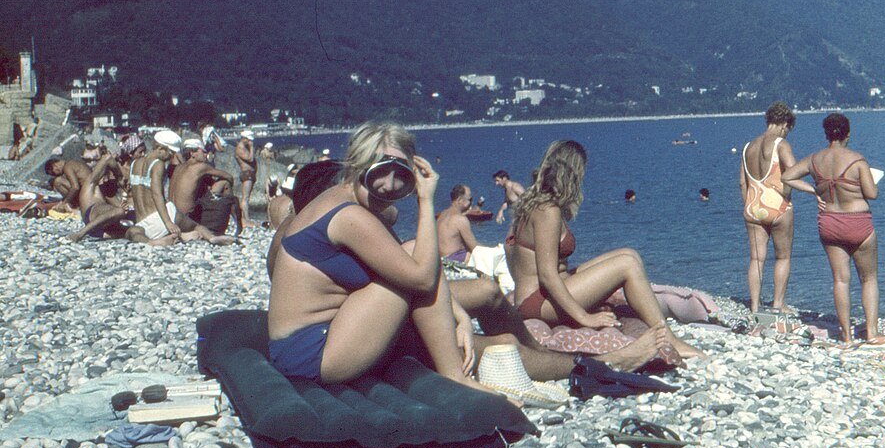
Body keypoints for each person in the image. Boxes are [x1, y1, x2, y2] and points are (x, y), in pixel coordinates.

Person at [265, 160, 665, 380]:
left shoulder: (312, 231)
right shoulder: (339, 222)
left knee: (488, 292)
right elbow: (414, 278)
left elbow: (397, 277)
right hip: (338, 340)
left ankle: (542, 350)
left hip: (355, 323)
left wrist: (451, 311)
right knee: (491, 349)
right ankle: (603, 365)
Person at [266, 121, 488, 390]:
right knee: (417, 260)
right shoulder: (350, 216)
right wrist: (426, 201)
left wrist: (462, 317)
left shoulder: (345, 199)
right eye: (381, 171)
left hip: (303, 346)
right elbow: (423, 279)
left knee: (411, 252)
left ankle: (457, 368)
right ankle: (456, 378)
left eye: (402, 175)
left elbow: (408, 263)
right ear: (358, 165)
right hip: (312, 354)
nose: (390, 185)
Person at [504, 140, 703, 359]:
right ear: (572, 174)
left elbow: (512, 252)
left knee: (628, 254)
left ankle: (661, 327)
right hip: (538, 303)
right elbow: (548, 276)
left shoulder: (532, 202)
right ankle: (668, 338)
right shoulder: (547, 211)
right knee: (627, 265)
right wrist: (584, 317)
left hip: (536, 296)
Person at [782, 113, 879, 342]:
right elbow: (872, 194)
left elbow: (787, 177)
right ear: (848, 133)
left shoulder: (815, 159)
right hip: (858, 222)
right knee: (869, 279)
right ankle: (872, 334)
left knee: (840, 280)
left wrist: (813, 190)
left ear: (826, 134)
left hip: (830, 222)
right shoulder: (857, 160)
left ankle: (846, 335)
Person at [739, 101, 797, 313]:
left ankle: (755, 306)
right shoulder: (781, 144)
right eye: (788, 130)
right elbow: (792, 171)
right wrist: (787, 194)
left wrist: (748, 204)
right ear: (784, 125)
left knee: (756, 258)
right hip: (777, 205)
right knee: (782, 257)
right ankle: (778, 304)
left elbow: (742, 183)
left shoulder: (748, 147)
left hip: (753, 205)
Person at [168, 139, 239, 242]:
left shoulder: (179, 167)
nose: (206, 154)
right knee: (225, 183)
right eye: (203, 151)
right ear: (193, 153)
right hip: (186, 218)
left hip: (171, 215)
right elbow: (229, 177)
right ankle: (237, 222)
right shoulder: (200, 167)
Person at [124, 129, 184, 246]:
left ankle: (152, 242)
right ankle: (208, 236)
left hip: (141, 221)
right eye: (170, 153)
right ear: (161, 149)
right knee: (191, 223)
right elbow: (157, 195)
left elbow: (132, 193)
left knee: (132, 233)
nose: (171, 157)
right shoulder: (158, 164)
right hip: (159, 220)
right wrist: (168, 223)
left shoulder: (134, 164)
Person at [67, 152, 132, 242]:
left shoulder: (107, 194)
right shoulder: (90, 184)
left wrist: (124, 195)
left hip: (102, 228)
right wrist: (119, 177)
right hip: (91, 216)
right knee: (120, 211)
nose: (109, 180)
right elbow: (107, 158)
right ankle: (80, 234)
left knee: (131, 224)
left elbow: (122, 209)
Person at [437, 184, 478, 263]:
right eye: (470, 199)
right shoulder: (460, 219)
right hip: (452, 259)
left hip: (440, 257)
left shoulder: (443, 214)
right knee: (479, 254)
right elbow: (474, 247)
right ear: (460, 200)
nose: (471, 202)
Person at [235, 130, 257, 228]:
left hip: (250, 173)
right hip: (246, 173)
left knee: (247, 197)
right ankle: (245, 219)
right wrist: (252, 147)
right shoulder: (240, 148)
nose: (250, 142)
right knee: (245, 197)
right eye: (248, 140)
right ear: (244, 139)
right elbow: (250, 159)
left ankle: (246, 218)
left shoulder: (244, 147)